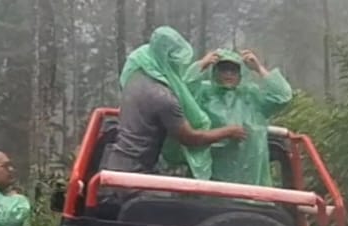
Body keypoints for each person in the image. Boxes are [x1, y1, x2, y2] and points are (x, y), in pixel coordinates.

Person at [102, 25, 246, 179]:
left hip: (117, 162)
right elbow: (191, 139)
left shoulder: (136, 74)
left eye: (233, 70)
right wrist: (228, 132)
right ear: (168, 59)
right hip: (135, 173)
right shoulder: (164, 98)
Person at [190, 48, 294, 186]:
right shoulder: (204, 94)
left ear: (240, 75)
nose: (228, 74)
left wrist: (258, 68)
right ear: (214, 71)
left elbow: (283, 97)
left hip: (250, 181)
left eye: (233, 70)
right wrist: (201, 64)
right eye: (223, 69)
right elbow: (181, 94)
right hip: (211, 180)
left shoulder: (251, 96)